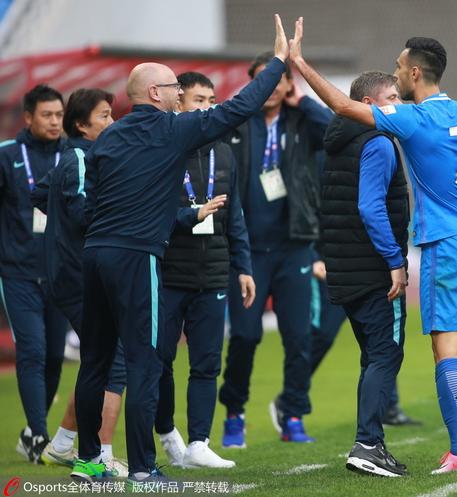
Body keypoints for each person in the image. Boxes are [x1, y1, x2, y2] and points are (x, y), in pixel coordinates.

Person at [287, 20, 457, 474]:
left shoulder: (415, 117)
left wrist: (297, 62)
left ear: (415, 74)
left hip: (446, 245)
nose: (395, 73)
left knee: (445, 348)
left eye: (399, 67)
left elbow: (340, 104)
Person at [71, 15, 290, 483]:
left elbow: (94, 206)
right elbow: (238, 109)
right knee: (145, 361)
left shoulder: (109, 138)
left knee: (94, 361)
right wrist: (277, 62)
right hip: (135, 260)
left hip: (96, 256)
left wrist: (186, 217)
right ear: (155, 94)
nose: (177, 93)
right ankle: (144, 469)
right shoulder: (171, 130)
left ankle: (88, 461)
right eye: (172, 86)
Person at [218, 50, 332, 447]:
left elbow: (336, 130)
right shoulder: (236, 123)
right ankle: (234, 413)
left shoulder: (303, 119)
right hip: (247, 252)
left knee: (299, 337)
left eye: (277, 78)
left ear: (287, 84)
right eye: (261, 79)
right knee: (246, 336)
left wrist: (304, 99)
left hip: (294, 247)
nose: (270, 86)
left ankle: (294, 414)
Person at [155, 71, 255, 470]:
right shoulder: (163, 149)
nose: (208, 108)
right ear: (178, 103)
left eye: (212, 101)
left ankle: (199, 442)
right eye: (199, 101)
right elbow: (151, 215)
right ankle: (166, 430)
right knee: (159, 361)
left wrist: (243, 266)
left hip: (212, 274)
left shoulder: (225, 153)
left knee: (206, 364)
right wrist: (189, 214)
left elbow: (236, 216)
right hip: (168, 273)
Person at [30, 88, 128, 476]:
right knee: (111, 363)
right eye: (104, 115)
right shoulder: (80, 159)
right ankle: (100, 455)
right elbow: (87, 214)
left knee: (98, 359)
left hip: (73, 273)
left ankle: (64, 445)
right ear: (82, 125)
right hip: (80, 277)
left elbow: (41, 193)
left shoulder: (76, 158)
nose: (112, 122)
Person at [320, 71, 410, 477]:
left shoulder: (340, 138)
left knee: (373, 356)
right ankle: (368, 444)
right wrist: (395, 261)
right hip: (374, 270)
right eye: (392, 97)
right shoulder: (378, 142)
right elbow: (370, 207)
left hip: (345, 266)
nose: (399, 104)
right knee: (386, 354)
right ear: (370, 105)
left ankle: (372, 443)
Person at [0, 84, 67, 464]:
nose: (55, 121)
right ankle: (39, 434)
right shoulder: (7, 156)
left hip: (60, 274)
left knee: (55, 357)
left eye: (59, 115)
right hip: (18, 273)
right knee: (33, 352)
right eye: (47, 115)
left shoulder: (73, 155)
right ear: (28, 118)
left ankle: (29, 433)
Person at [309, 258, 421, 427]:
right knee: (380, 351)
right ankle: (292, 396)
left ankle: (388, 409)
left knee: (380, 349)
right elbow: (382, 235)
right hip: (342, 273)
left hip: (361, 271)